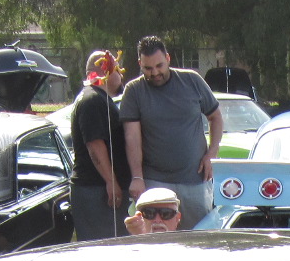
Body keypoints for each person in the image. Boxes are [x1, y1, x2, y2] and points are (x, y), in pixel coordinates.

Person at [120, 35, 221, 230]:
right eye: (148, 68)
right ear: (140, 63)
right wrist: (137, 177)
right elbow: (132, 137)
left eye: (159, 66)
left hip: (196, 181)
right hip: (155, 182)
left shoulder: (192, 80)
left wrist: (212, 154)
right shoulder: (134, 90)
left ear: (168, 58)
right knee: (157, 241)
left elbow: (216, 117)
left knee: (200, 238)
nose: (155, 72)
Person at [70, 49, 130, 240]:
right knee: (101, 248)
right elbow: (95, 145)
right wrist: (111, 182)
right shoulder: (93, 100)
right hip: (96, 191)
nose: (121, 75)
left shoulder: (97, 98)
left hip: (98, 189)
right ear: (106, 70)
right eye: (118, 70)